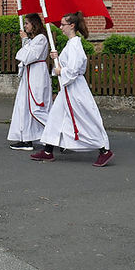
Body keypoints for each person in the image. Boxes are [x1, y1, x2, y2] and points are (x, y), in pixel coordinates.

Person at [31, 12, 113, 167]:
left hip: (75, 88)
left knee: (85, 118)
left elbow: (74, 69)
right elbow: (67, 65)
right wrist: (57, 58)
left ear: (72, 25)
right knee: (55, 118)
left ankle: (104, 150)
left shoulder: (75, 44)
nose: (60, 27)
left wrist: (60, 71)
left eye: (63, 24)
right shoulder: (71, 44)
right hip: (68, 89)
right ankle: (48, 150)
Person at [7, 13, 52, 151]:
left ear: (34, 24)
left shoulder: (41, 38)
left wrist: (25, 40)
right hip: (29, 74)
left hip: (36, 74)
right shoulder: (34, 39)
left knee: (36, 107)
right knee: (24, 106)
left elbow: (29, 56)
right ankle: (26, 138)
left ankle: (57, 132)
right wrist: (26, 41)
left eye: (27, 23)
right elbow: (25, 54)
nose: (25, 26)